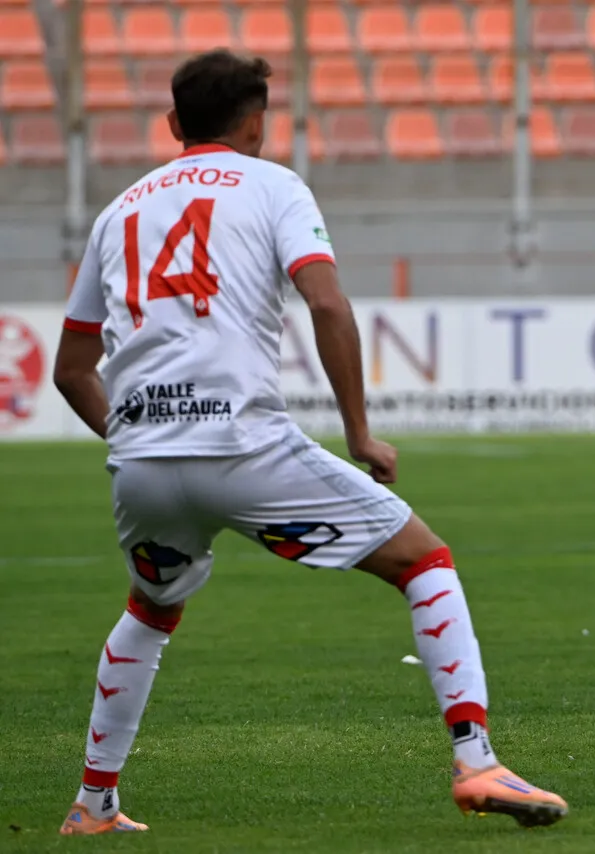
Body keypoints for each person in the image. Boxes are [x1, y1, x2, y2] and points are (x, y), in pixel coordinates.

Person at [52, 50, 567, 831]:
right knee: (424, 562)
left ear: (173, 124)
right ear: (256, 121)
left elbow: (71, 369)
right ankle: (475, 762)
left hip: (144, 463)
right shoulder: (274, 186)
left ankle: (92, 804)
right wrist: (360, 432)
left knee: (151, 611)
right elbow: (326, 304)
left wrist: (133, 436)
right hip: (243, 449)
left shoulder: (116, 210)